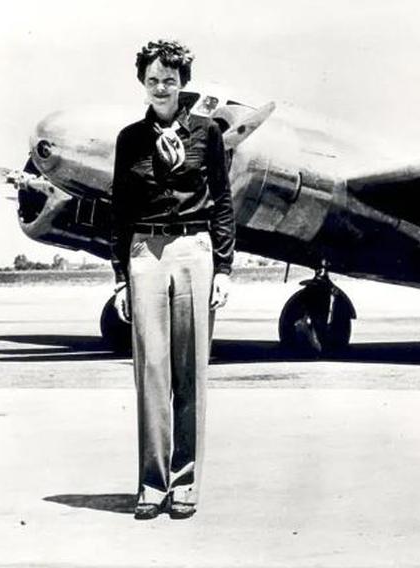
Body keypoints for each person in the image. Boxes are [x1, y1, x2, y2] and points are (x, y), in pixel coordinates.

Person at [109, 39, 236, 520]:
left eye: (169, 79)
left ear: (183, 82)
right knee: (151, 374)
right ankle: (151, 484)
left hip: (194, 250)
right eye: (152, 80)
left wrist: (223, 268)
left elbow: (222, 202)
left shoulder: (207, 134)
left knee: (190, 374)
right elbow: (119, 211)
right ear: (142, 83)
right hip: (145, 251)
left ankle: (184, 484)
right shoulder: (129, 140)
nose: (161, 87)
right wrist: (121, 275)